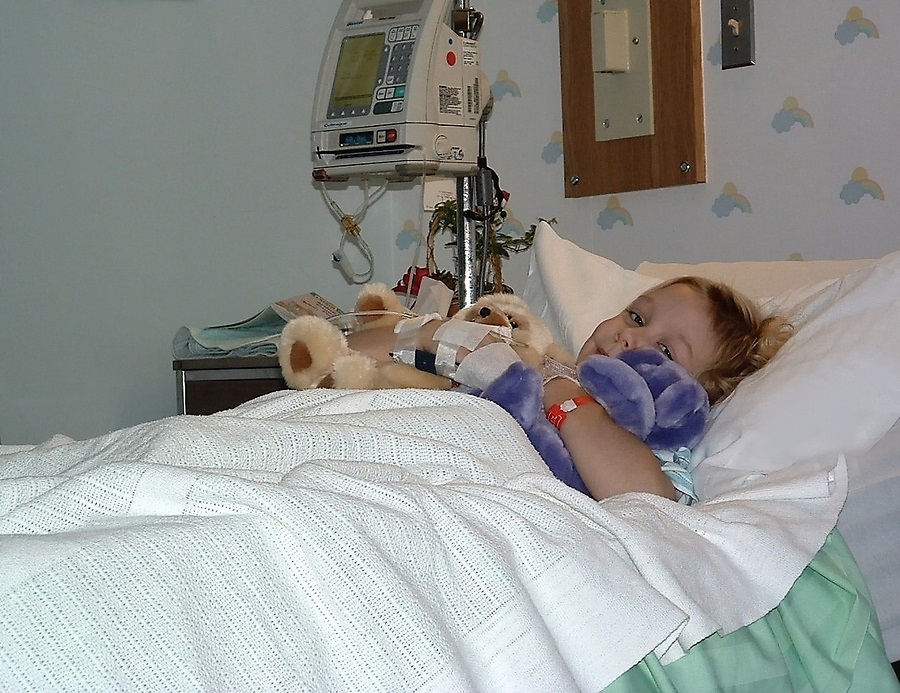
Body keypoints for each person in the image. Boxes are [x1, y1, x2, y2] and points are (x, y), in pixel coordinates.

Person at [348, 276, 792, 502]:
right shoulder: (532, 354)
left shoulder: (649, 437)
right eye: (636, 317)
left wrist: (566, 398)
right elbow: (350, 352)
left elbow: (650, 503)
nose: (629, 338)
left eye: (665, 350)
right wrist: (442, 339)